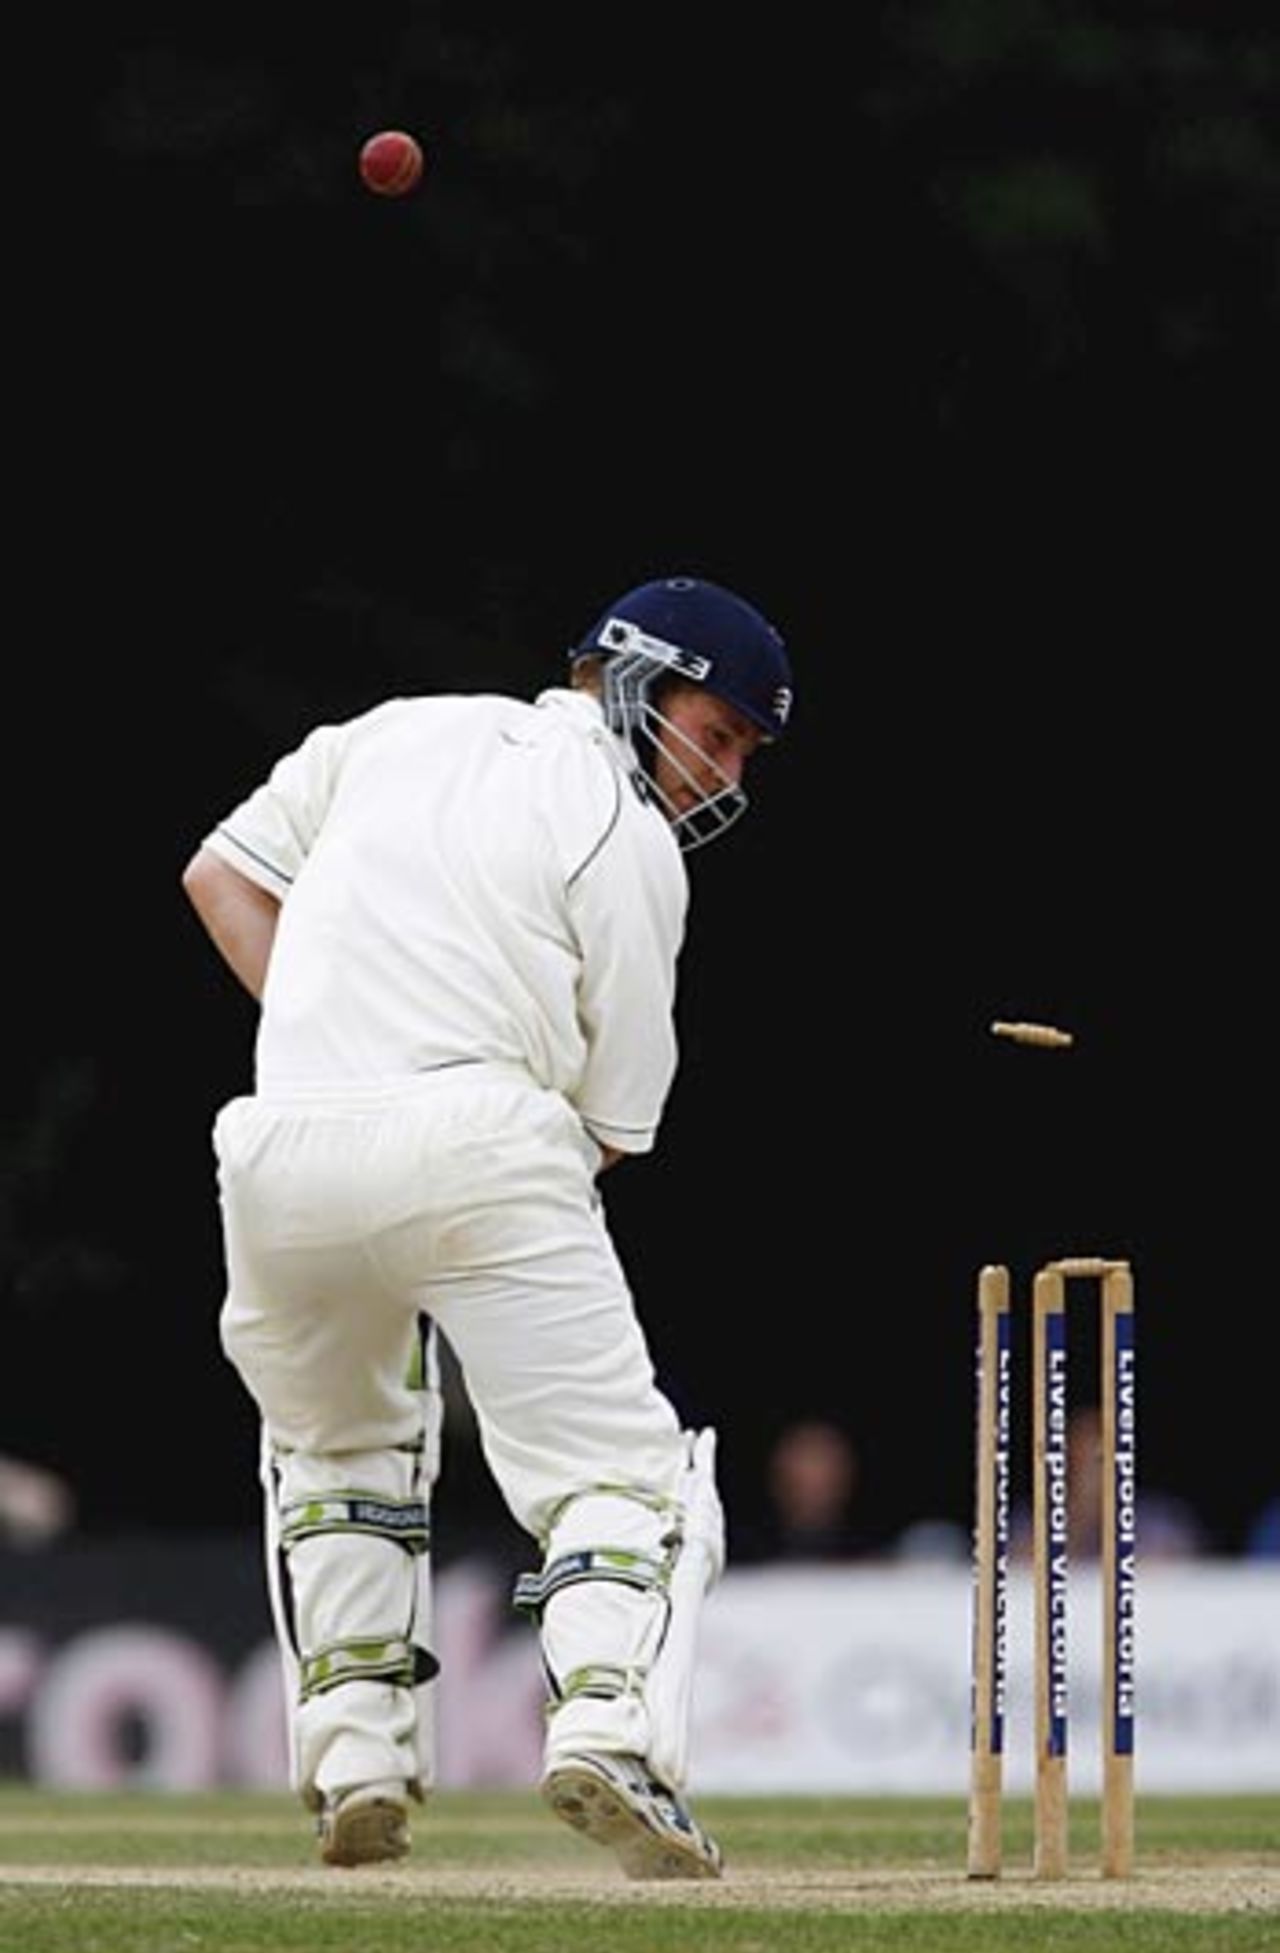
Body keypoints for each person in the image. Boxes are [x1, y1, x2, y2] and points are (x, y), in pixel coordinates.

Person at [181, 574, 794, 1878]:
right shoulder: (620, 836)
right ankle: (608, 1733)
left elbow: (220, 874)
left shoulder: (393, 729)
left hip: (278, 1142)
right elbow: (616, 1123)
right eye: (721, 727)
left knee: (337, 1449)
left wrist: (339, 1039)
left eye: (746, 748)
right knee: (626, 1477)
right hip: (483, 1138)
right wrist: (457, 1126)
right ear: (633, 673)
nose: (724, 769)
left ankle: (354, 1759)